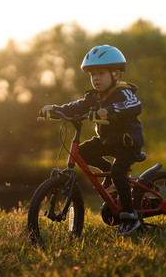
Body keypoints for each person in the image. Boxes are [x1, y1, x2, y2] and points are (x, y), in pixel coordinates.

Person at [40, 45, 145, 236]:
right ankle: (108, 177)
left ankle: (130, 217)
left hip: (128, 142)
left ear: (115, 73)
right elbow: (76, 107)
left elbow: (134, 105)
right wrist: (55, 109)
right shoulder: (94, 97)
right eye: (92, 74)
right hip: (108, 141)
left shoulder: (123, 92)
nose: (95, 78)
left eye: (101, 73)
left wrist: (110, 110)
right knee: (83, 152)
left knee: (119, 172)